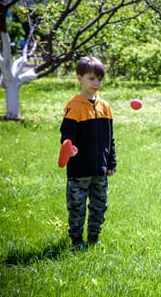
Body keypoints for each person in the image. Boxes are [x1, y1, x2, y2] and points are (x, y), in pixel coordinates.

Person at [60, 56, 116, 251]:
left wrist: (111, 163)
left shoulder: (105, 107)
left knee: (100, 206)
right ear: (79, 78)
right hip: (79, 168)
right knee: (77, 207)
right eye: (91, 78)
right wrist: (69, 147)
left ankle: (93, 236)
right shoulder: (74, 106)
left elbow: (110, 138)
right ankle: (76, 240)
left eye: (99, 79)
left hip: (100, 169)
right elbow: (67, 134)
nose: (96, 83)